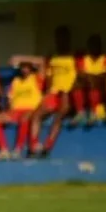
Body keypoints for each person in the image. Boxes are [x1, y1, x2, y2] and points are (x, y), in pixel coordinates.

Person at [33, 26, 77, 157]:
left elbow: (79, 77)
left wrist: (70, 92)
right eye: (58, 37)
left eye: (63, 37)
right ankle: (34, 145)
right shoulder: (52, 56)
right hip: (54, 92)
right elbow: (49, 76)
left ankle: (48, 146)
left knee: (58, 116)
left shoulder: (74, 55)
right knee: (37, 115)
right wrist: (47, 93)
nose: (60, 40)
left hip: (68, 93)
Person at [0, 61, 44, 157]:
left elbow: (41, 64)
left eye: (26, 67)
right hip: (15, 110)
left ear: (31, 69)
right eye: (22, 67)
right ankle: (3, 150)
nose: (24, 70)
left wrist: (20, 58)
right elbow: (10, 97)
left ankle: (18, 149)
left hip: (31, 109)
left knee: (24, 118)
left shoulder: (36, 78)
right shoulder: (16, 81)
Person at [76, 33, 106, 126]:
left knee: (94, 83)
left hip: (102, 88)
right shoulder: (83, 59)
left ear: (100, 45)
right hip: (87, 86)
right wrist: (90, 78)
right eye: (92, 44)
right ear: (88, 46)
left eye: (97, 44)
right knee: (77, 84)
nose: (95, 46)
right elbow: (81, 74)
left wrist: (93, 78)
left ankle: (94, 113)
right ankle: (80, 113)